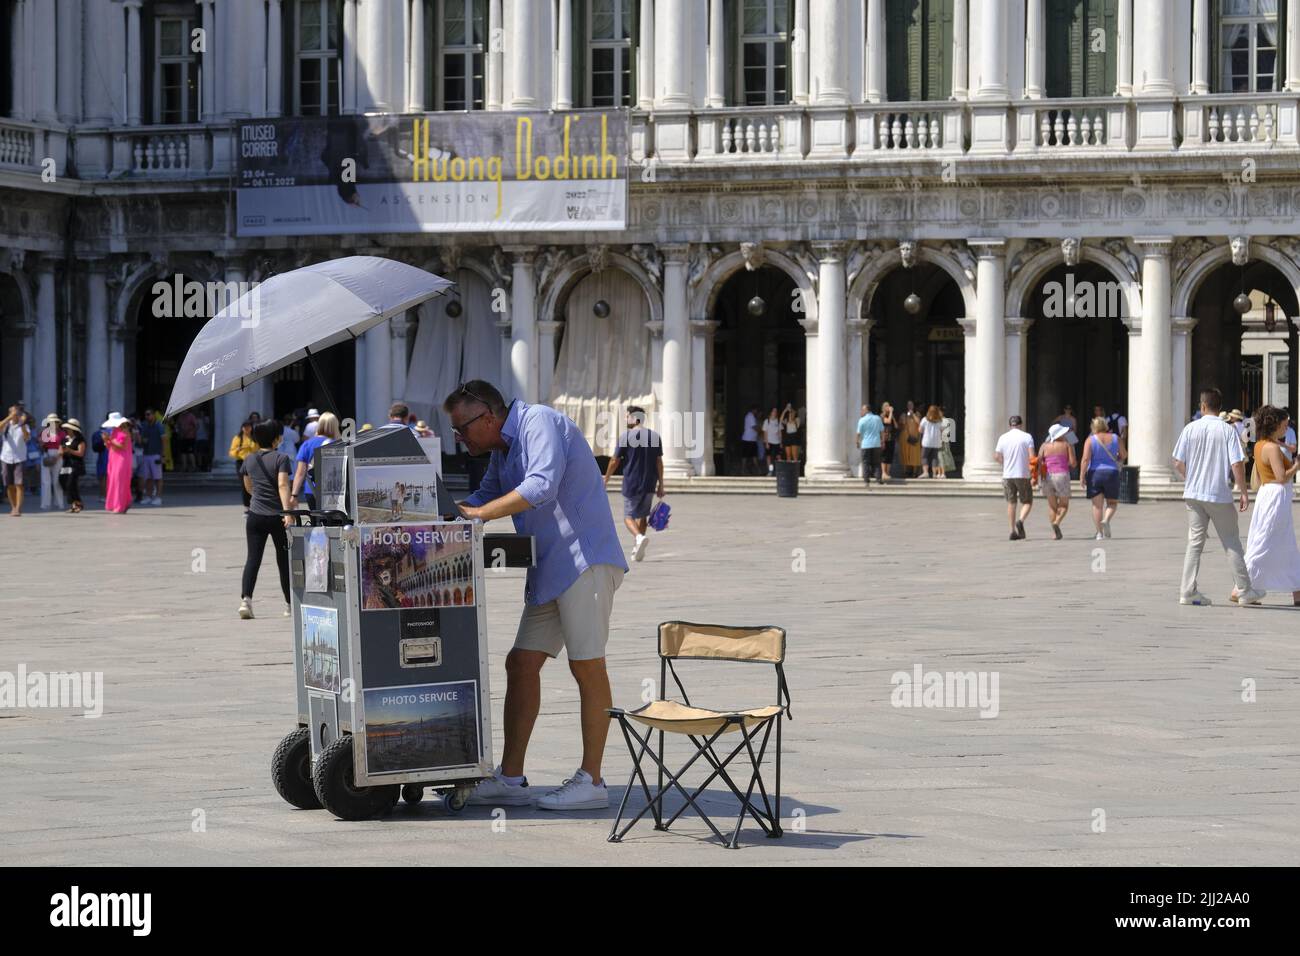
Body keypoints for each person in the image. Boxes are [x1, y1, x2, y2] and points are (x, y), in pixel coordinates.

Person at [448, 380, 626, 812]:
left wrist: (476, 514)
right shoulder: (502, 450)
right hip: (550, 567)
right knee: (521, 663)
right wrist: (439, 514)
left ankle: (593, 780)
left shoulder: (539, 422)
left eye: (462, 428)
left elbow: (540, 485)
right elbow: (484, 497)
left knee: (587, 667)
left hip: (584, 561)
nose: (459, 438)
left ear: (488, 417)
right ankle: (510, 777)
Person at [1172, 388, 1260, 607]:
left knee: (1194, 543)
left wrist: (1190, 477)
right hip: (1218, 493)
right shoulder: (1227, 430)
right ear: (1219, 407)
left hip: (1193, 494)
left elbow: (1177, 462)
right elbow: (1237, 463)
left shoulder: (1190, 428)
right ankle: (1244, 589)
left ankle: (1187, 590)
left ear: (1202, 406)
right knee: (1231, 541)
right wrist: (1242, 491)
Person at [1243, 405, 1300, 605]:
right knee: (1264, 541)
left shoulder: (1261, 444)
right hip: (1275, 496)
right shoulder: (1272, 448)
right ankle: (1241, 586)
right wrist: (1296, 466)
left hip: (1269, 496)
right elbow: (1282, 476)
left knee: (1286, 543)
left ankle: (1297, 592)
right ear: (1274, 425)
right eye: (1284, 425)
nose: (1286, 428)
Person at [238, 420, 293, 620]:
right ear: (275, 438)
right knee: (283, 561)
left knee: (253, 558)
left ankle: (246, 600)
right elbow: (283, 485)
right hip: (277, 517)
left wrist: (259, 498)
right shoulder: (281, 458)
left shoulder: (249, 459)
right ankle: (289, 604)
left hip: (255, 516)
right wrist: (288, 512)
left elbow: (248, 486)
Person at [603, 405, 664, 562]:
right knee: (642, 515)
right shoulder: (655, 436)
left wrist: (607, 478)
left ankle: (638, 537)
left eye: (627, 416)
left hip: (632, 482)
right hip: (650, 482)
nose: (625, 419)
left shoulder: (626, 437)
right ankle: (638, 548)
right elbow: (659, 462)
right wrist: (661, 484)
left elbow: (615, 460)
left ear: (634, 418)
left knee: (628, 516)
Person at [1078, 416, 1126, 540]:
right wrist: (1116, 459)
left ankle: (1099, 533)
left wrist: (1082, 475)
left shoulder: (1090, 440)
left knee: (1097, 505)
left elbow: (1085, 459)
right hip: (1111, 473)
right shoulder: (1116, 438)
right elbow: (1124, 454)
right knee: (1112, 502)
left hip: (1095, 474)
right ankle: (1106, 519)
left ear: (1094, 427)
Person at [995, 415, 1035, 540]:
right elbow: (1032, 457)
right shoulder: (1027, 437)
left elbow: (996, 456)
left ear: (1010, 425)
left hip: (1007, 475)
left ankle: (1012, 530)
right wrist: (1034, 474)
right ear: (1021, 424)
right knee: (1027, 501)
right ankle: (1021, 520)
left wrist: (1005, 463)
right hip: (1022, 474)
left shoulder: (1003, 437)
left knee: (1011, 503)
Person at [290, 411, 340, 511]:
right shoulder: (339, 444)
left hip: (311, 490)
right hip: (334, 490)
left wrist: (294, 495)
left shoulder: (307, 444)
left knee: (316, 522)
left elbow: (300, 473)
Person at [1038, 423, 1076, 540]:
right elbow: (1073, 463)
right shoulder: (1066, 445)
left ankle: (1055, 533)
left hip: (1047, 476)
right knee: (1064, 505)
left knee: (1052, 506)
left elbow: (1039, 462)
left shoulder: (1044, 446)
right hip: (1062, 475)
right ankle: (1057, 523)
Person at [101, 412, 134, 514]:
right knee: (114, 481)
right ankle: (121, 504)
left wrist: (109, 439)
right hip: (114, 459)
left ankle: (120, 505)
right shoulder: (115, 431)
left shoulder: (124, 432)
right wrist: (106, 441)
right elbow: (111, 446)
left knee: (119, 482)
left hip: (122, 460)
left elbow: (122, 446)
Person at [1, 404, 30, 516]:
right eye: (13, 413)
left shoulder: (24, 426)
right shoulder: (6, 425)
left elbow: (26, 437)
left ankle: (18, 508)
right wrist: (9, 418)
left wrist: (22, 423)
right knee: (9, 485)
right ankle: (13, 507)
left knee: (19, 484)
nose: (15, 415)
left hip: (19, 458)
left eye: (16, 413)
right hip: (6, 457)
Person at [38, 413, 66, 511]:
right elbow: (41, 445)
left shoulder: (62, 433)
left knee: (57, 481)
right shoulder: (45, 432)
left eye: (55, 422)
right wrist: (42, 441)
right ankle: (45, 504)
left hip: (58, 455)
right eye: (51, 422)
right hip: (46, 455)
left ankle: (60, 503)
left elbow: (63, 446)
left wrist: (56, 457)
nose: (53, 423)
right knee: (46, 481)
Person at [59, 419, 87, 513]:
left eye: (69, 428)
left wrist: (69, 450)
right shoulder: (65, 439)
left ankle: (77, 503)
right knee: (63, 481)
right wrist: (62, 451)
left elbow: (81, 453)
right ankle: (75, 503)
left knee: (71, 484)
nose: (67, 430)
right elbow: (60, 451)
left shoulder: (80, 440)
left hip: (75, 464)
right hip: (66, 463)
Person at [137, 409, 164, 505]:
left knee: (158, 477)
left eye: (148, 414)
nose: (147, 416)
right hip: (146, 454)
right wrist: (139, 437)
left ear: (153, 415)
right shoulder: (145, 426)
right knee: (148, 477)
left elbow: (163, 440)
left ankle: (158, 497)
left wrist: (162, 455)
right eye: (145, 415)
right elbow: (143, 441)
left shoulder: (159, 426)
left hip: (156, 454)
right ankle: (148, 496)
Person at [229, 420, 258, 508]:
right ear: (242, 428)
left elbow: (258, 449)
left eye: (248, 427)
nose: (246, 429)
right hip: (241, 462)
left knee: (254, 483)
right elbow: (231, 453)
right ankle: (246, 505)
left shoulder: (255, 437)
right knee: (244, 484)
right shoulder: (238, 438)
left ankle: (255, 503)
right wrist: (238, 449)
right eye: (245, 427)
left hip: (253, 462)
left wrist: (250, 447)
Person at [856, 403, 884, 485]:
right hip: (876, 444)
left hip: (866, 444)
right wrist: (883, 441)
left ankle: (866, 480)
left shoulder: (861, 420)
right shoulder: (877, 418)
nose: (861, 411)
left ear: (866, 410)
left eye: (862, 409)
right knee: (877, 462)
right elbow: (882, 431)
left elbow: (858, 433)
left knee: (865, 462)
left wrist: (857, 442)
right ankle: (878, 479)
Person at [919, 405, 944, 479]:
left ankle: (926, 472)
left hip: (927, 441)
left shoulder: (925, 419)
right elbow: (942, 430)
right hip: (936, 442)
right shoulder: (940, 421)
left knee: (924, 456)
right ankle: (934, 474)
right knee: (934, 458)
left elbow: (920, 430)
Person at [900, 401, 922, 477]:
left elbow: (919, 422)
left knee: (914, 454)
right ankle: (905, 472)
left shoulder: (917, 414)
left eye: (911, 405)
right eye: (908, 405)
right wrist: (906, 417)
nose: (910, 406)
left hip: (915, 437)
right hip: (905, 437)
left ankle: (914, 472)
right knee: (905, 454)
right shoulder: (903, 414)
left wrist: (913, 415)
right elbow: (902, 424)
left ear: (913, 406)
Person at [740, 405, 761, 476]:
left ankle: (757, 470)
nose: (756, 412)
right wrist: (760, 431)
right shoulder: (750, 416)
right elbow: (754, 427)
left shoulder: (750, 416)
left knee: (753, 455)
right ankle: (744, 470)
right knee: (746, 455)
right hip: (748, 439)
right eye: (756, 410)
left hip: (751, 439)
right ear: (753, 410)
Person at [761, 406, 782, 474]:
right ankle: (770, 471)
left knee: (778, 456)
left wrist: (781, 442)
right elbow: (765, 432)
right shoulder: (767, 421)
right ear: (771, 412)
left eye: (776, 411)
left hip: (777, 442)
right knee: (769, 457)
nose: (775, 412)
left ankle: (779, 471)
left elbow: (780, 432)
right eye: (774, 411)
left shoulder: (778, 421)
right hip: (769, 442)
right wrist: (766, 443)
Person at [880, 401, 897, 481]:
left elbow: (896, 426)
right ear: (884, 408)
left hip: (891, 438)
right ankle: (883, 473)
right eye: (887, 406)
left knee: (890, 456)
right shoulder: (882, 416)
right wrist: (891, 412)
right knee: (884, 456)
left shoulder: (891, 415)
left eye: (889, 406)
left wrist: (892, 415)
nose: (889, 407)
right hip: (885, 438)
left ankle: (887, 473)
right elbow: (888, 421)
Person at [939, 406, 957, 478]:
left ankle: (943, 473)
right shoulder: (938, 420)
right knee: (938, 457)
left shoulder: (945, 420)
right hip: (939, 440)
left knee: (942, 457)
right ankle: (939, 473)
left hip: (943, 441)